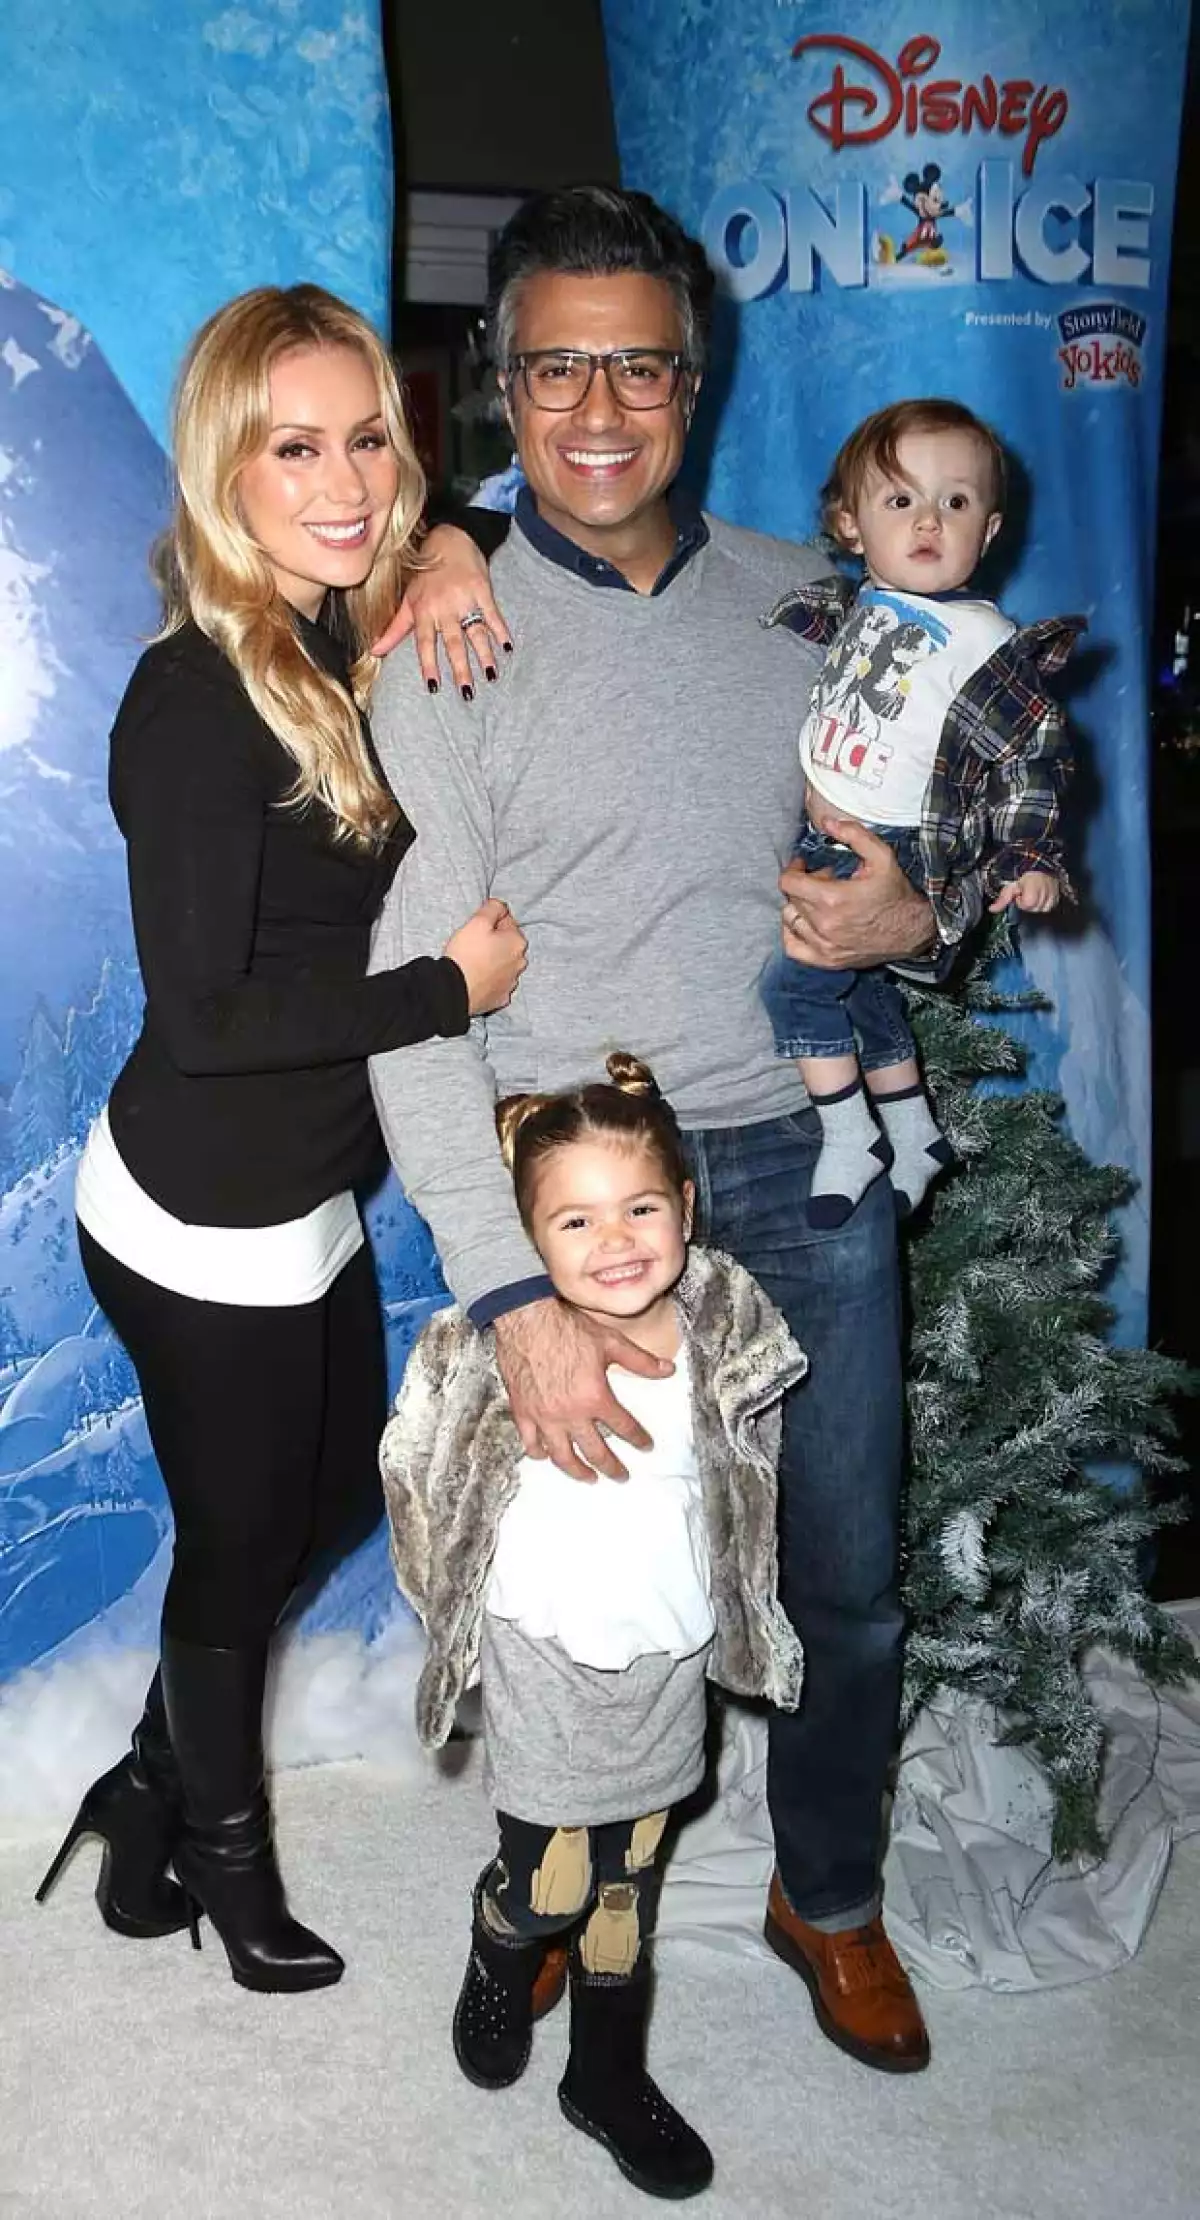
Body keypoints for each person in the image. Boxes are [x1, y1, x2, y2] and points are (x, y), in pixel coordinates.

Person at [368, 186, 938, 2072]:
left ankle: (823, 1891)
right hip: (580, 1206)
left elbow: (946, 865)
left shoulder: (817, 608)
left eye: (640, 362)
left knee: (845, 1577)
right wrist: (509, 1291)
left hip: (799, 1153)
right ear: (497, 387)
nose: (598, 403)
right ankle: (548, 1878)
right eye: (556, 364)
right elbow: (406, 1009)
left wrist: (910, 919)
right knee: (585, 1616)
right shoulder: (441, 643)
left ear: (697, 380)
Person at [34, 283, 527, 1994]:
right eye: (292, 448)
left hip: (304, 1186)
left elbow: (444, 540)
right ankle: (221, 1861)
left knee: (320, 1503)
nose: (344, 482)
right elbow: (205, 1021)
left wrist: (451, 544)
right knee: (241, 1555)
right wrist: (442, 993)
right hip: (195, 1204)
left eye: (369, 438)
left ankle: (144, 1783)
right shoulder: (196, 699)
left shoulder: (341, 615)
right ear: (221, 472)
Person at [380, 1053, 805, 2199]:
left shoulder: (721, 1329)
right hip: (546, 1656)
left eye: (641, 1209)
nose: (615, 1240)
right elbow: (419, 1474)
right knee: (557, 1881)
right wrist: (453, 1613)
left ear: (686, 1209)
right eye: (575, 1219)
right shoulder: (499, 1354)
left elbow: (747, 1480)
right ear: (527, 1240)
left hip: (666, 1659)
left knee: (629, 1890)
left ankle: (605, 2079)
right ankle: (500, 1933)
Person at [758, 397, 1082, 1228]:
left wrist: (1030, 858)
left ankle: (848, 1133)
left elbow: (1032, 754)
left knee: (793, 990)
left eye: (958, 502)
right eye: (901, 500)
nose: (930, 520)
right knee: (861, 995)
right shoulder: (868, 600)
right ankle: (911, 1128)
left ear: (991, 527)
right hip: (828, 832)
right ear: (851, 522)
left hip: (888, 844)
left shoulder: (984, 641)